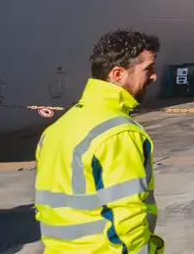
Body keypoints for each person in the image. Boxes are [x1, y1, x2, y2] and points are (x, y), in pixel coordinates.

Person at [34, 28, 164, 253]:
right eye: (147, 69)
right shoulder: (119, 133)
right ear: (118, 74)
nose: (153, 76)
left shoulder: (57, 128)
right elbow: (127, 220)